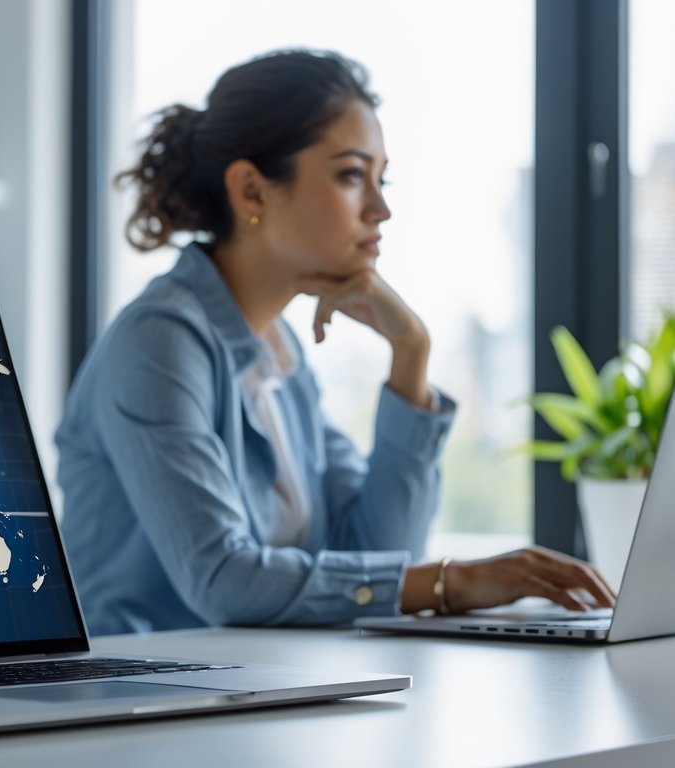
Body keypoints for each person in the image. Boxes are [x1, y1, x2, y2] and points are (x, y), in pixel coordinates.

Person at [55, 49, 615, 635]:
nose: (381, 209)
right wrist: (455, 584)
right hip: (141, 701)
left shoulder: (281, 357)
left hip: (260, 684)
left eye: (381, 178)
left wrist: (411, 354)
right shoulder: (159, 341)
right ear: (251, 190)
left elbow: (378, 548)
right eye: (351, 175)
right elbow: (224, 579)